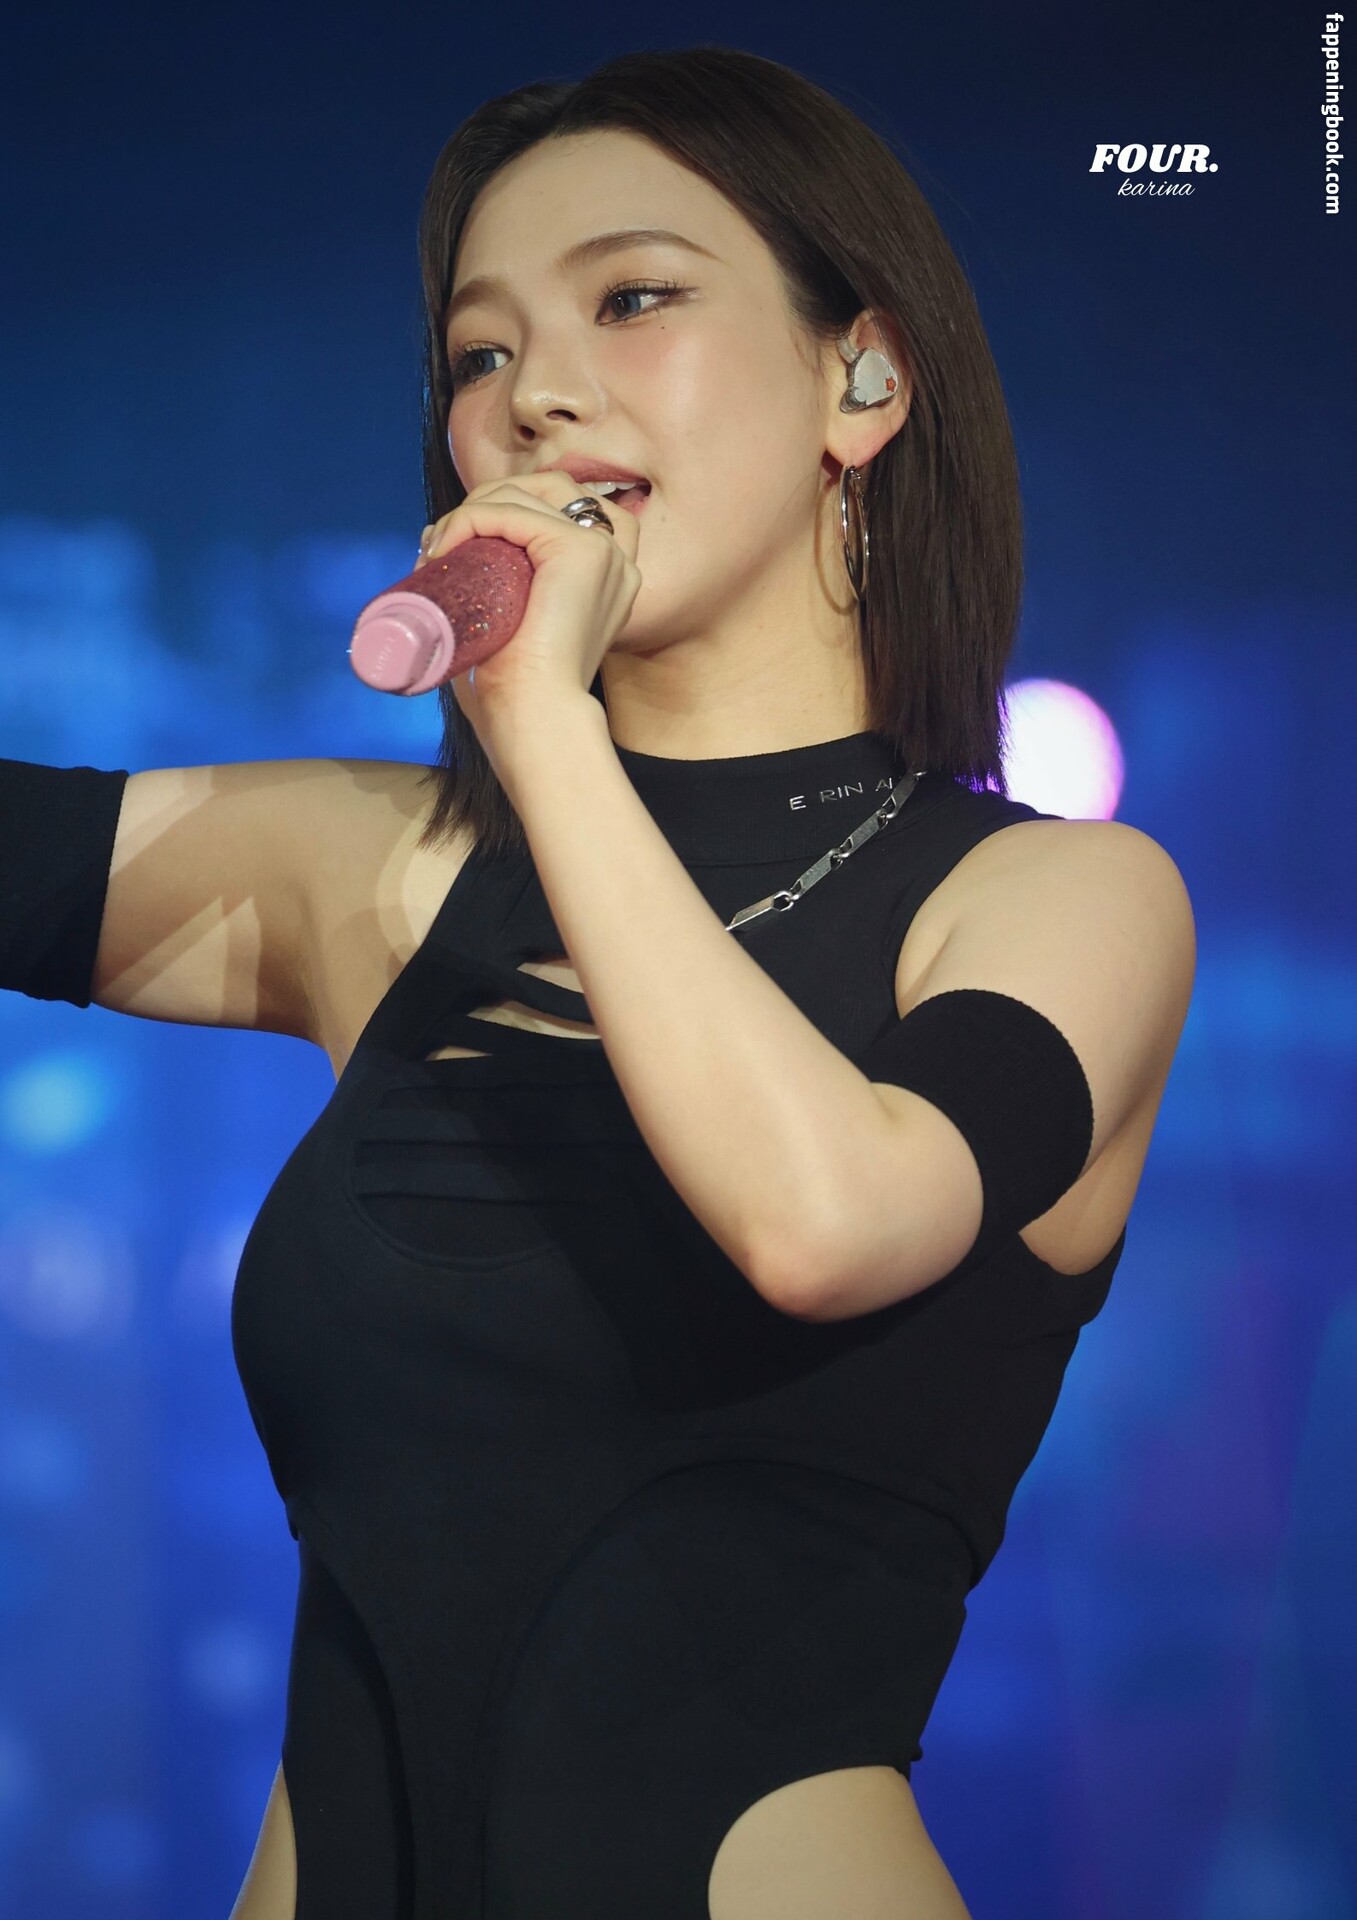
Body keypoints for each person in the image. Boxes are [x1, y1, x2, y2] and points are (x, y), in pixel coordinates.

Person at [1, 45, 1196, 1920]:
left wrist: (542, 727)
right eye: (479, 353)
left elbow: (824, 1222)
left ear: (863, 378)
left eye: (631, 299)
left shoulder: (1059, 897)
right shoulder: (373, 874)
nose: (533, 395)